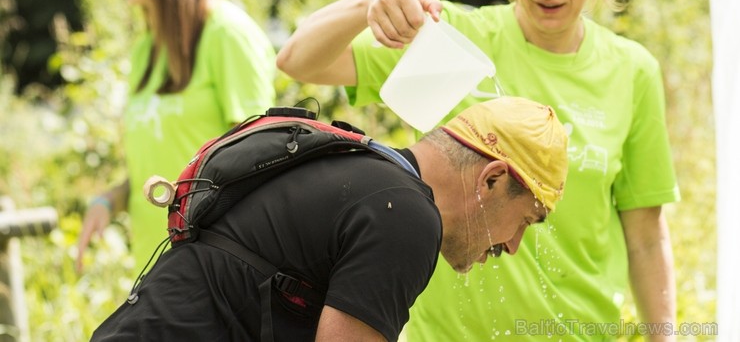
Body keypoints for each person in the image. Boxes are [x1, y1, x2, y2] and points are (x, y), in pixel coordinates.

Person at [276, 0, 680, 341]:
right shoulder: (455, 40)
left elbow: (645, 238)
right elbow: (300, 61)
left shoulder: (631, 70)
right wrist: (371, 1)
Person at [91, 96, 568, 341]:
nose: (512, 246)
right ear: (491, 179)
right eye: (525, 221)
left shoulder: (363, 176)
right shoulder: (407, 218)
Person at [76, 0, 277, 273]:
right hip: (155, 273)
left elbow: (260, 164)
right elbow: (162, 164)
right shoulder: (145, 51)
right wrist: (110, 200)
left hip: (214, 273)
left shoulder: (228, 34)